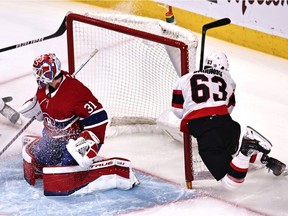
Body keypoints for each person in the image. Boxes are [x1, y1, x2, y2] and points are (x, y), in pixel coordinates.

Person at [171, 51, 286, 190]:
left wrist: (194, 107)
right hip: (228, 126)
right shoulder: (227, 80)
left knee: (231, 182)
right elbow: (229, 108)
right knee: (230, 150)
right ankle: (263, 159)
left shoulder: (184, 78)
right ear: (224, 67)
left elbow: (177, 111)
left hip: (205, 130)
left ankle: (247, 150)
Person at [19, 53, 109, 169]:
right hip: (53, 137)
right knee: (40, 160)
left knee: (67, 164)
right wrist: (38, 108)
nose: (37, 75)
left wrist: (88, 142)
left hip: (73, 141)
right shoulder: (43, 88)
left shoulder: (75, 91)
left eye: (40, 72)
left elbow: (100, 117)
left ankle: (83, 156)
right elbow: (51, 103)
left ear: (49, 72)